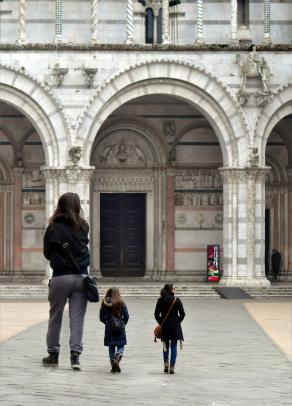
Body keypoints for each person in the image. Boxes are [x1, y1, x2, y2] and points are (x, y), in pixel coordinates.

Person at [42, 192, 90, 370]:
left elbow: (47, 253)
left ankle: (53, 354)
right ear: (77, 207)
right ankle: (75, 356)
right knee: (77, 318)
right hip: (81, 278)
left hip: (60, 277)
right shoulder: (83, 226)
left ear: (60, 206)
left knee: (55, 317)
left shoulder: (53, 227)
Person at [154, 283, 185, 374]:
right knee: (174, 346)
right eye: (174, 288)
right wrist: (177, 321)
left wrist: (161, 322)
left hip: (165, 326)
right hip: (175, 327)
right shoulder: (177, 300)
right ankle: (172, 366)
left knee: (165, 346)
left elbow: (156, 314)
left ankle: (166, 364)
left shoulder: (160, 300)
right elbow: (182, 314)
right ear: (171, 290)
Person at [100, 287, 129, 373]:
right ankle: (118, 357)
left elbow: (101, 317)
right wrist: (122, 324)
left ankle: (113, 364)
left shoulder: (104, 303)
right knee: (121, 345)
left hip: (109, 328)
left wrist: (107, 323)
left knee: (111, 347)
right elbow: (126, 316)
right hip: (120, 328)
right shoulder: (121, 303)